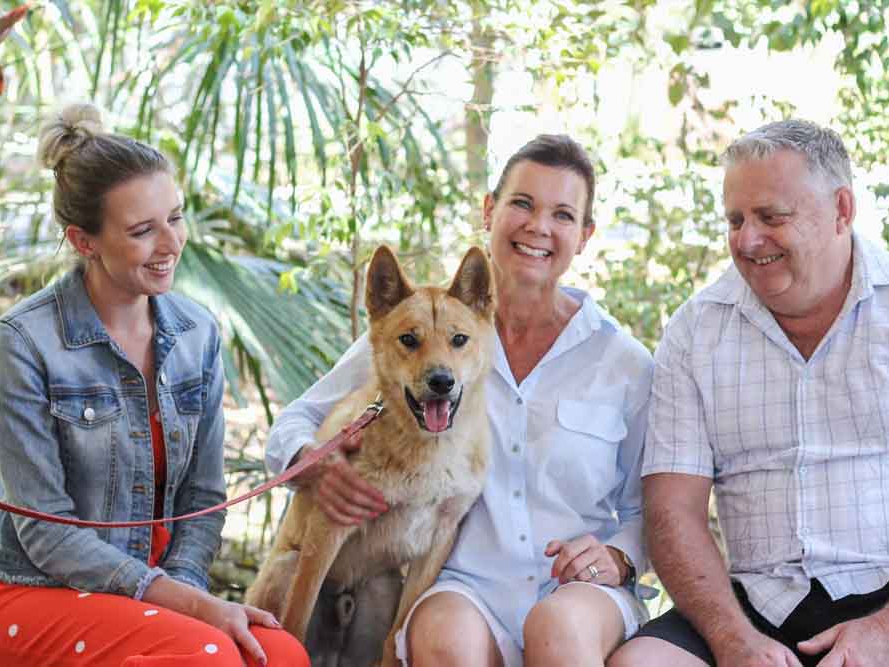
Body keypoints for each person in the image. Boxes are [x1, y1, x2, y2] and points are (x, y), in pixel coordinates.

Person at [265, 134, 653, 666]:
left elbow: (650, 507)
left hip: (578, 589)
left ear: (585, 235)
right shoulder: (415, 333)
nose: (539, 226)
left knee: (560, 634)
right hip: (465, 588)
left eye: (563, 215)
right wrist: (315, 468)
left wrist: (618, 556)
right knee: (445, 644)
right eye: (522, 203)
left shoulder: (623, 361)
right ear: (489, 210)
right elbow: (298, 420)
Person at [0, 103, 309, 667]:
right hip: (29, 591)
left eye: (175, 217)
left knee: (282, 655)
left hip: (150, 593)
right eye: (143, 230)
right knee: (207, 658)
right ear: (83, 241)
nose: (171, 242)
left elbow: (202, 501)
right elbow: (47, 535)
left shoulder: (197, 332)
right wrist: (185, 607)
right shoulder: (23, 341)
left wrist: (184, 591)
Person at [609, 119, 889, 667]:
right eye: (735, 219)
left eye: (771, 217)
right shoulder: (696, 331)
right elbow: (673, 513)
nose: (747, 239)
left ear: (842, 210)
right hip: (754, 605)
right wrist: (732, 639)